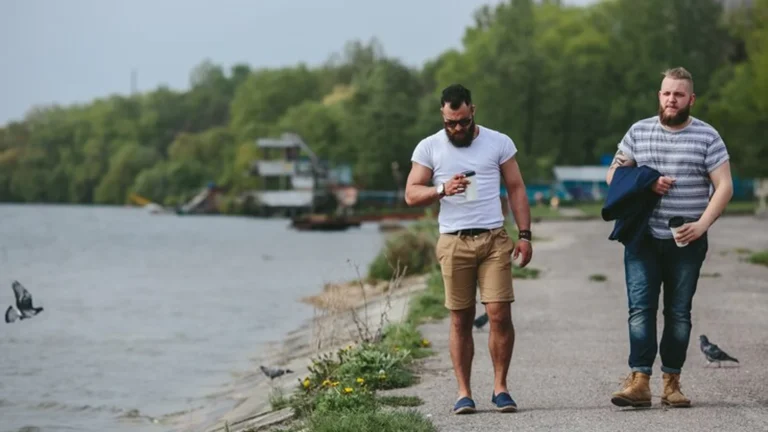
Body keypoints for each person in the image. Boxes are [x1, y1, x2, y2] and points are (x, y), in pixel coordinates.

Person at [605, 67, 733, 408]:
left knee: (678, 313)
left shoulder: (708, 137)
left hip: (687, 240)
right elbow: (613, 176)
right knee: (640, 311)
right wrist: (646, 181)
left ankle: (672, 383)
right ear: (659, 96)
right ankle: (640, 381)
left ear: (691, 99)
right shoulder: (638, 132)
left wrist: (702, 225)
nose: (671, 99)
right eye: (666, 93)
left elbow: (725, 186)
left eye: (678, 94)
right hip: (642, 237)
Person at [404, 84, 533, 414]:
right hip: (453, 241)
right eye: (450, 122)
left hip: (492, 239)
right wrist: (442, 189)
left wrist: (525, 234)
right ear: (443, 116)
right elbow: (411, 194)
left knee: (499, 315)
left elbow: (516, 188)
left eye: (462, 121)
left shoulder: (498, 142)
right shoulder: (430, 147)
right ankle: (464, 392)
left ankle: (500, 387)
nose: (457, 128)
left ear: (472, 110)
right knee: (460, 320)